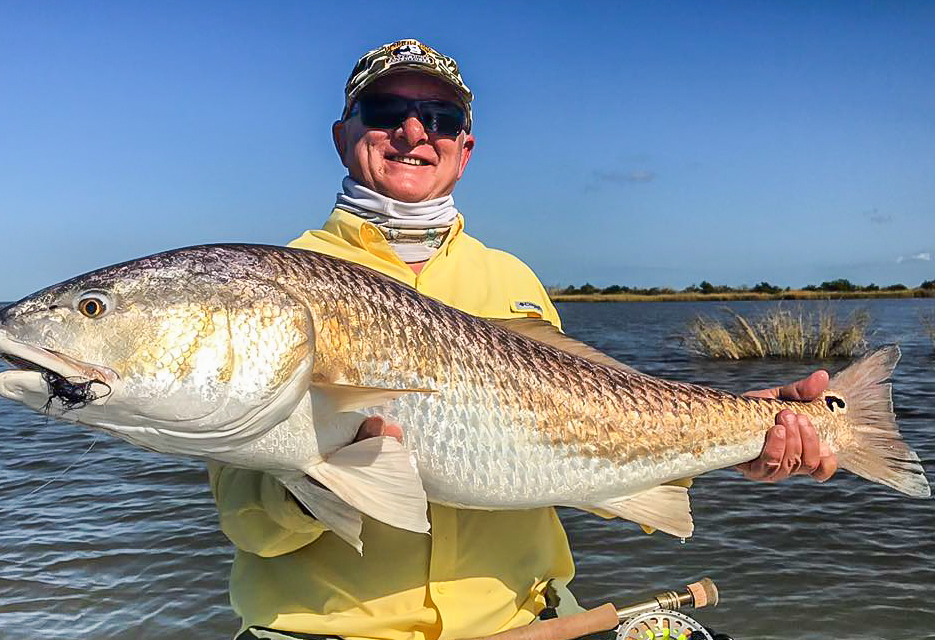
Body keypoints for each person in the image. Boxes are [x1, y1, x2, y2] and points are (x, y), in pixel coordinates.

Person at [209, 39, 838, 640]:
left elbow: (582, 434)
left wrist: (742, 433)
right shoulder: (269, 286)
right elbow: (250, 526)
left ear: (465, 147)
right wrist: (319, 481)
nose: (413, 131)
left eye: (440, 116)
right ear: (342, 136)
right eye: (385, 111)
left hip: (530, 622)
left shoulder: (511, 279)